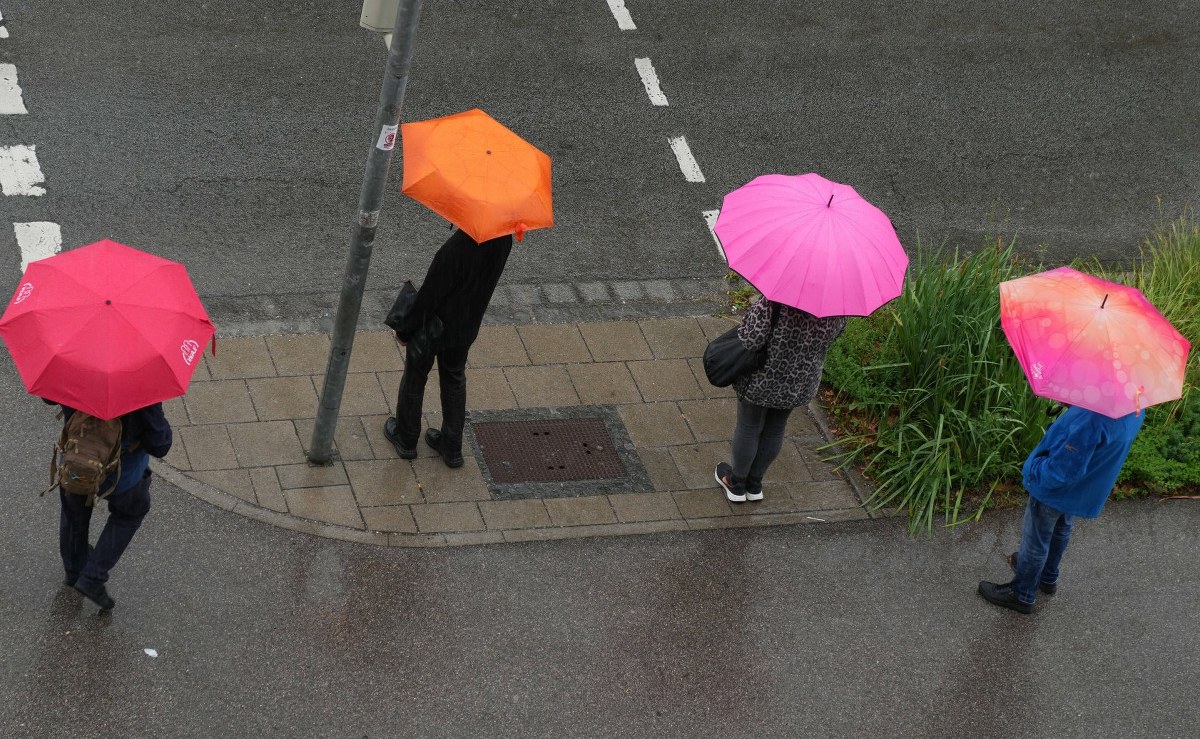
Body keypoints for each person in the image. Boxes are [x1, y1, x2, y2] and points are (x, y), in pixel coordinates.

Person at [978, 404, 1145, 614]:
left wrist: (1034, 470)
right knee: (1062, 527)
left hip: (1055, 489)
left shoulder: (1092, 418)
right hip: (1080, 489)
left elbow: (1063, 470)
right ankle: (1047, 576)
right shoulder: (1135, 406)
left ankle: (1021, 593)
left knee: (1035, 540)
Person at [384, 229, 513, 468]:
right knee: (454, 377)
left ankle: (406, 437)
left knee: (416, 374)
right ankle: (452, 447)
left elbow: (428, 297)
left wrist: (404, 330)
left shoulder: (455, 249)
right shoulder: (504, 239)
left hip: (435, 326)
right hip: (467, 325)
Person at [714, 297, 847, 503]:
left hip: (763, 377)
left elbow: (751, 339)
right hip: (800, 381)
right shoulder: (838, 306)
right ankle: (755, 484)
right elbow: (834, 338)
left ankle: (736, 483)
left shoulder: (775, 302)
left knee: (749, 427)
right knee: (776, 429)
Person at [49, 400, 173, 611]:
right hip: (124, 475)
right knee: (130, 514)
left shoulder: (76, 368)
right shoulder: (141, 386)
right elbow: (159, 444)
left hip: (77, 463)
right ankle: (92, 578)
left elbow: (48, 398)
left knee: (73, 515)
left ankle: (73, 571)